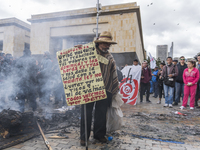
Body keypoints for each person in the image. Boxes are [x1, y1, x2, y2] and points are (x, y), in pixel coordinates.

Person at [80, 31, 119, 146]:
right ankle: (84, 137)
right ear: (99, 43)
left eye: (108, 44)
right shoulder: (87, 51)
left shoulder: (110, 57)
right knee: (86, 113)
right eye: (105, 44)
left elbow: (113, 73)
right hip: (89, 88)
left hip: (105, 89)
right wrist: (77, 51)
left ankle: (99, 135)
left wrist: (113, 89)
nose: (107, 46)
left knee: (101, 114)